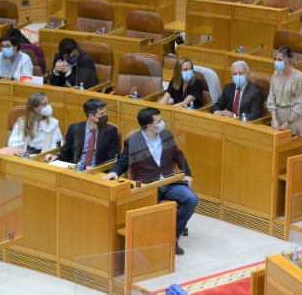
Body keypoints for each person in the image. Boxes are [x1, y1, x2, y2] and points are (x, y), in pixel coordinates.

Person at [104, 107, 198, 255]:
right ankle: (154, 241)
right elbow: (123, 161)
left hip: (169, 182)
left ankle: (173, 237)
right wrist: (114, 172)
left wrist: (187, 174)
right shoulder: (133, 142)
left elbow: (179, 156)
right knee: (149, 213)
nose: (162, 123)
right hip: (149, 186)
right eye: (159, 121)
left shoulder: (166, 135)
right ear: (149, 125)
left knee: (191, 199)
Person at [44, 98, 119, 170]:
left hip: (96, 173)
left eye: (105, 112)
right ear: (91, 116)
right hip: (75, 169)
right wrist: (56, 157)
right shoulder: (74, 129)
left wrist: (94, 169)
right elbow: (66, 153)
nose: (105, 116)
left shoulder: (110, 131)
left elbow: (111, 160)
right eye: (102, 114)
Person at [267, 46, 302, 134]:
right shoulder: (276, 74)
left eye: (280, 60)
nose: (277, 62)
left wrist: (287, 123)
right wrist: (274, 119)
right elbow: (271, 98)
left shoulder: (298, 77)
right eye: (275, 59)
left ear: (288, 59)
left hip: (294, 122)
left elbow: (300, 104)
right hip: (278, 120)